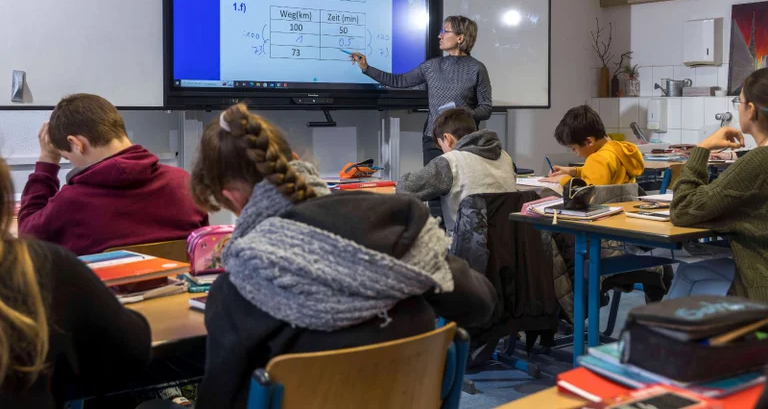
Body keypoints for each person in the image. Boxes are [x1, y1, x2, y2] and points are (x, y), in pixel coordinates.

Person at [189, 103, 496, 409]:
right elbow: (480, 304)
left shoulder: (244, 282)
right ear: (295, 161)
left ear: (231, 196)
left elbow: (218, 400)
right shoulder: (395, 231)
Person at [0, 157, 152, 407]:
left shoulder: (70, 202)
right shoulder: (43, 264)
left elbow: (29, 228)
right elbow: (132, 351)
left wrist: (46, 164)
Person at [18, 94, 208, 255]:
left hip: (103, 298)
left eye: (67, 157)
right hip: (179, 296)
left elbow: (28, 238)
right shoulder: (183, 182)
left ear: (76, 144)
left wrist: (47, 161)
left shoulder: (72, 202)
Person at [350, 16, 492, 218]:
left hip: (465, 143)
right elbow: (397, 81)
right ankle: (439, 239)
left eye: (445, 31)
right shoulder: (431, 66)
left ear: (460, 38)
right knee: (434, 195)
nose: (439, 35)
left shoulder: (477, 68)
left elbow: (486, 108)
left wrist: (464, 113)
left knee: (464, 192)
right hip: (433, 140)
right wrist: (366, 68)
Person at [668, 68, 768, 301]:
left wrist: (701, 150)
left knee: (690, 275)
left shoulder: (759, 162)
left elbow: (682, 210)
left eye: (739, 102)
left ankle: (658, 335)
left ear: (751, 110)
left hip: (760, 291)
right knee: (690, 271)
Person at [397, 107, 517, 233]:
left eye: (441, 146)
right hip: (506, 245)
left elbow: (405, 189)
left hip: (462, 247)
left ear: (447, 139)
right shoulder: (505, 157)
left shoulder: (450, 162)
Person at [544, 105, 644, 187]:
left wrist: (564, 179)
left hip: (603, 209)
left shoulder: (597, 159)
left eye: (574, 148)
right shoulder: (618, 150)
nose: (574, 152)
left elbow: (587, 195)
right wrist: (573, 171)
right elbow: (603, 172)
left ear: (589, 142)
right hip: (624, 207)